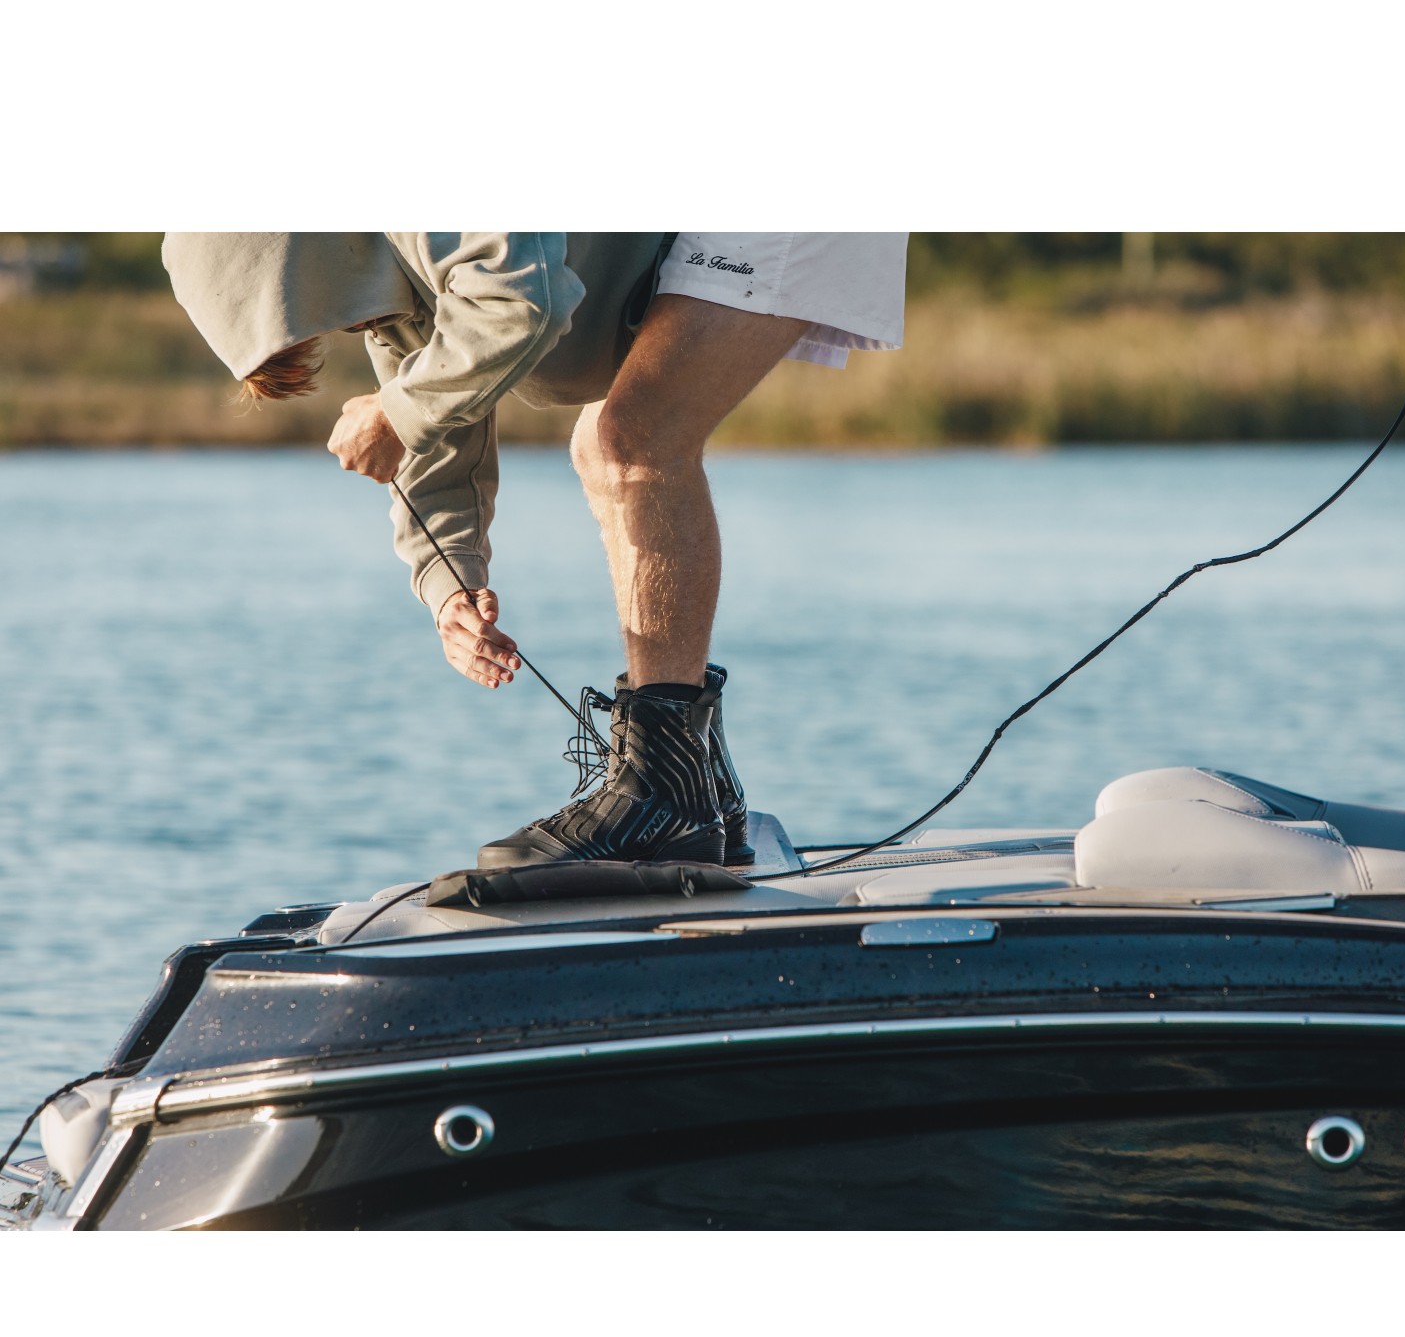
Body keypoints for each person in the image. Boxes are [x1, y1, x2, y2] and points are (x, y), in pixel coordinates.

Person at [163, 232, 908, 867]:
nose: (348, 328)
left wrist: (395, 411)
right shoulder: (395, 289)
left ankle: (665, 799)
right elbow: (437, 444)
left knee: (634, 441)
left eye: (315, 319)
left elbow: (521, 301)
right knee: (605, 447)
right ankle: (692, 783)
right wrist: (448, 588)